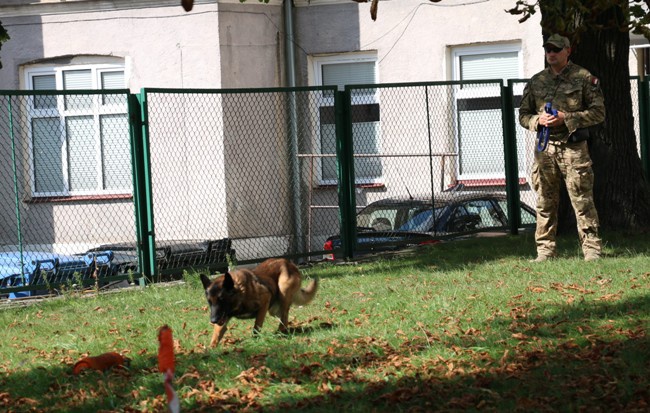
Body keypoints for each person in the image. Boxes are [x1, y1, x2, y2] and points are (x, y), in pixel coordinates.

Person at [519, 33, 605, 262]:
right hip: (545, 149)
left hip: (573, 148)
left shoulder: (583, 77)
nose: (551, 53)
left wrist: (567, 118)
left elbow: (599, 113)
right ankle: (545, 251)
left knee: (582, 199)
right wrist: (538, 121)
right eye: (548, 49)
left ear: (568, 51)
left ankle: (592, 250)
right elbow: (523, 115)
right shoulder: (537, 81)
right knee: (545, 201)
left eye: (556, 49)